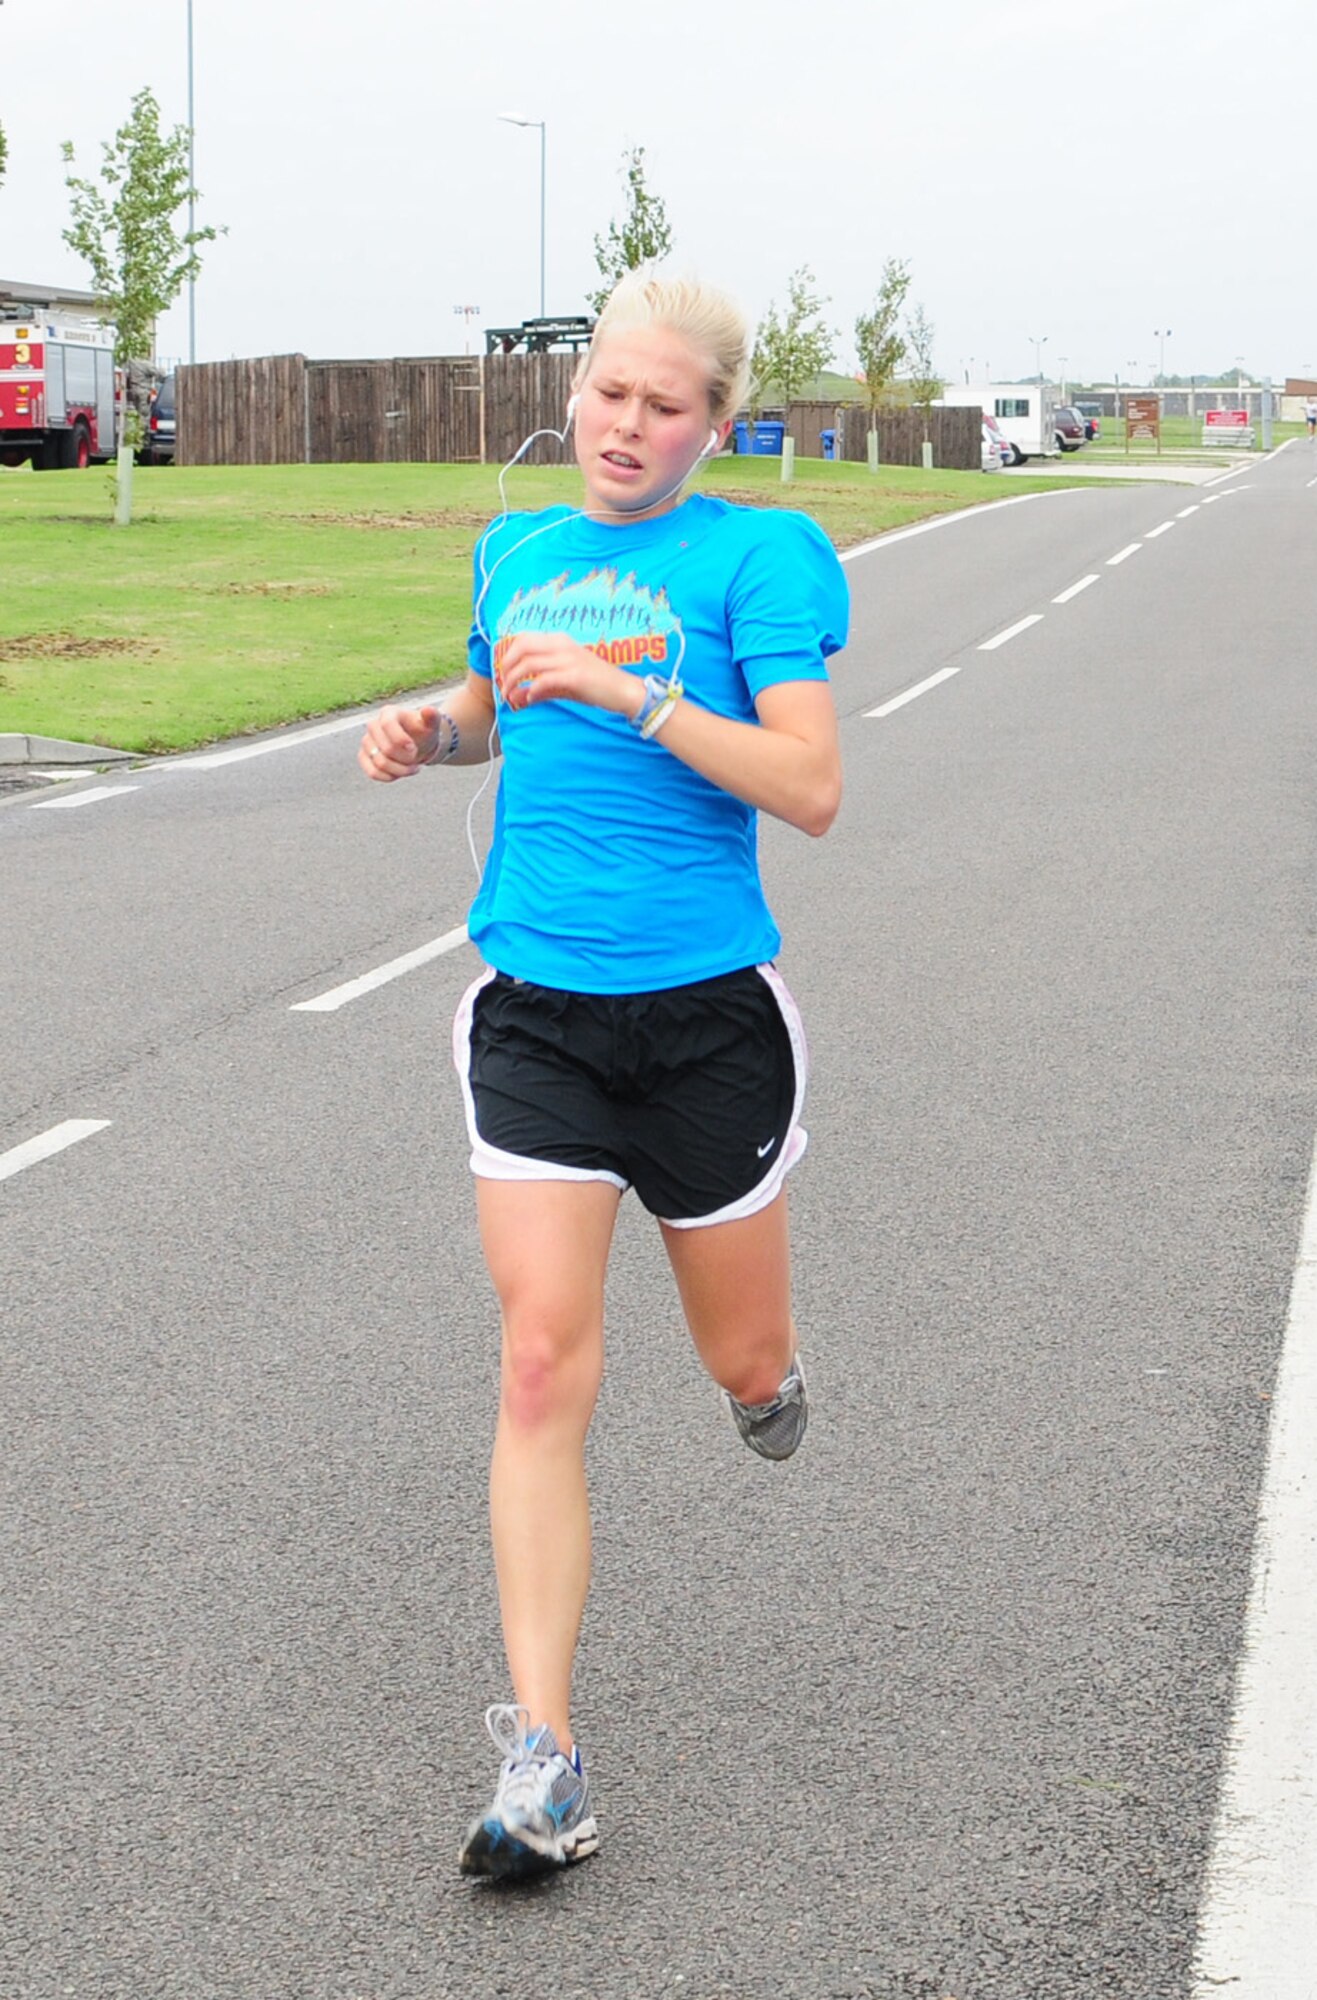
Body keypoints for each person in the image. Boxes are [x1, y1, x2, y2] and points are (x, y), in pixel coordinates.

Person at [358, 269, 849, 1883]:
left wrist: (640, 695)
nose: (626, 426)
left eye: (663, 405)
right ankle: (544, 1761)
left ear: (712, 424)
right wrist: (436, 728)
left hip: (706, 1018)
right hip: (538, 1014)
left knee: (738, 1352)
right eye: (608, 396)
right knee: (537, 1367)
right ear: (572, 400)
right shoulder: (521, 551)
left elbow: (808, 782)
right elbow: (507, 705)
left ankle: (766, 1390)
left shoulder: (755, 555)